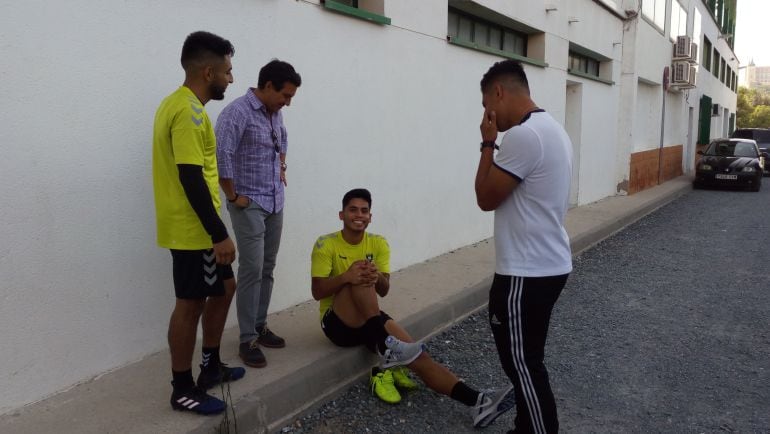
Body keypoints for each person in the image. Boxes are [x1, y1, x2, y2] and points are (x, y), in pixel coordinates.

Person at [311, 188, 515, 428]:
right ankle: (386, 345)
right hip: (337, 322)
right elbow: (317, 292)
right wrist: (347, 276)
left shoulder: (378, 242)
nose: (359, 215)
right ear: (341, 215)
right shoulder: (326, 244)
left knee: (418, 355)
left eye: (364, 211)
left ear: (370, 216)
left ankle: (478, 402)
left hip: (369, 316)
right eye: (352, 210)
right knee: (360, 272)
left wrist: (376, 277)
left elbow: (384, 290)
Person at [474, 60, 573, 434]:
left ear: (498, 92)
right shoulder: (554, 130)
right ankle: (525, 426)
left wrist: (487, 143)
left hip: (526, 271)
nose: (488, 114)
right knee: (527, 358)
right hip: (546, 264)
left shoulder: (523, 136)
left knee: (523, 362)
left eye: (487, 104)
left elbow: (485, 197)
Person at [151, 31, 245, 415]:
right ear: (208, 72)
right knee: (190, 305)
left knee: (225, 288)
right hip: (194, 232)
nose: (231, 78)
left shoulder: (181, 104)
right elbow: (190, 176)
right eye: (227, 71)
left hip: (197, 228)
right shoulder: (189, 113)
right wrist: (218, 232)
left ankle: (209, 366)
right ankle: (182, 388)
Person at [215, 60, 301, 368]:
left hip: (275, 201)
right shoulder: (237, 113)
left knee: (267, 267)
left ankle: (260, 325)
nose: (288, 102)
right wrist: (233, 196)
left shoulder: (274, 114)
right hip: (249, 204)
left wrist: (282, 166)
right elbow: (221, 155)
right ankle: (246, 338)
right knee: (251, 270)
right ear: (267, 86)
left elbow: (282, 140)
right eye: (285, 95)